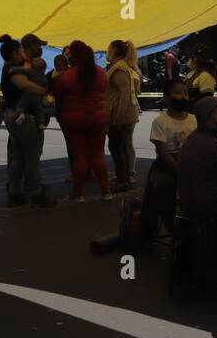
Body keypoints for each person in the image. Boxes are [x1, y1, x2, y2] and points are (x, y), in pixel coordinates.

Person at [52, 41, 110, 202]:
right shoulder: (100, 72)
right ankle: (106, 191)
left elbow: (56, 94)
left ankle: (78, 193)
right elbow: (104, 90)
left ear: (73, 56)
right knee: (98, 154)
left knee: (80, 156)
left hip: (73, 119)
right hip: (97, 117)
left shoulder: (66, 76)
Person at [0, 38, 54, 207]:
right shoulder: (12, 69)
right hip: (23, 118)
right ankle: (36, 194)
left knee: (19, 158)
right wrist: (43, 90)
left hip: (12, 116)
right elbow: (25, 86)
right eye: (21, 50)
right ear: (15, 53)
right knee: (31, 159)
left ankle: (15, 193)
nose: (23, 53)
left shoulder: (10, 67)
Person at [141, 78, 197, 243]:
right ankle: (172, 227)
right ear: (166, 97)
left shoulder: (194, 119)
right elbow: (163, 153)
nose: (183, 96)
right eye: (178, 93)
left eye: (185, 93)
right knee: (163, 187)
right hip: (167, 164)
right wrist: (181, 170)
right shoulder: (160, 122)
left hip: (192, 161)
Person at [105, 39, 141, 193]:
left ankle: (122, 180)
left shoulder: (118, 68)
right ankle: (124, 177)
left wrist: (118, 117)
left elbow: (124, 94)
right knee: (121, 146)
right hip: (124, 115)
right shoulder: (120, 66)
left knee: (116, 147)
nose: (107, 51)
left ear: (114, 50)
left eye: (108, 48)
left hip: (121, 116)